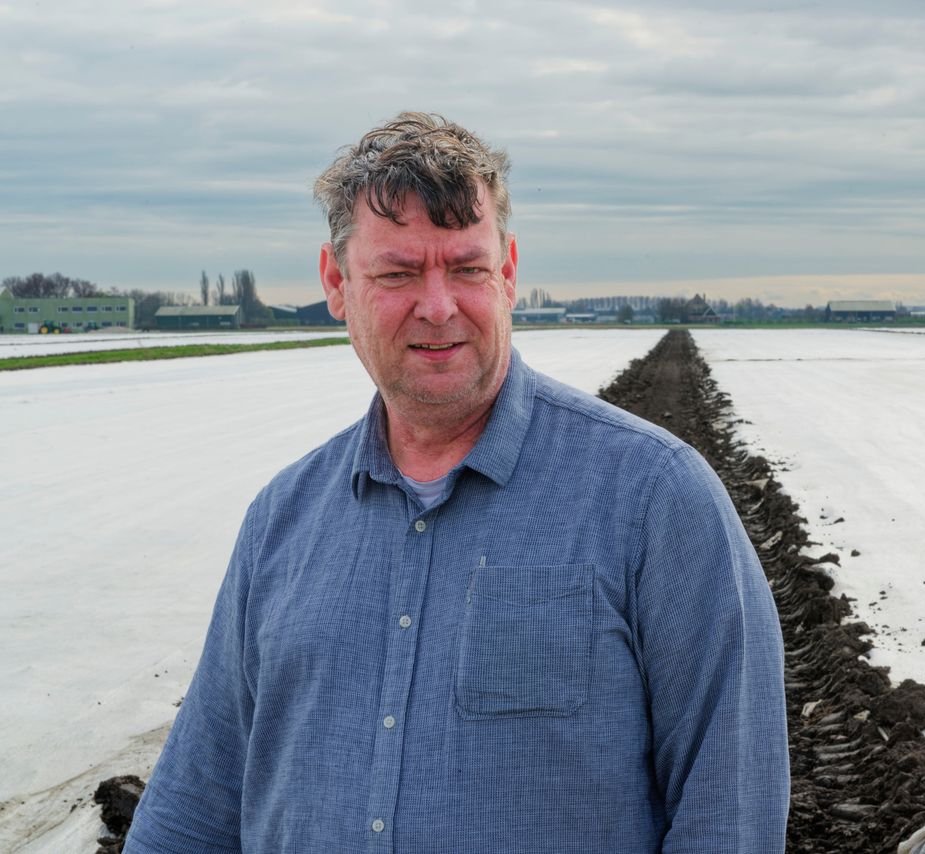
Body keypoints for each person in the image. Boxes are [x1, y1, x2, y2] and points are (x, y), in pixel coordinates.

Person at [125, 112, 789, 853]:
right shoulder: (281, 521)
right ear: (337, 282)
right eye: (398, 273)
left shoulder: (655, 499)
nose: (437, 307)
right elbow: (195, 806)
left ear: (507, 273)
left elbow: (730, 812)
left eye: (466, 268)